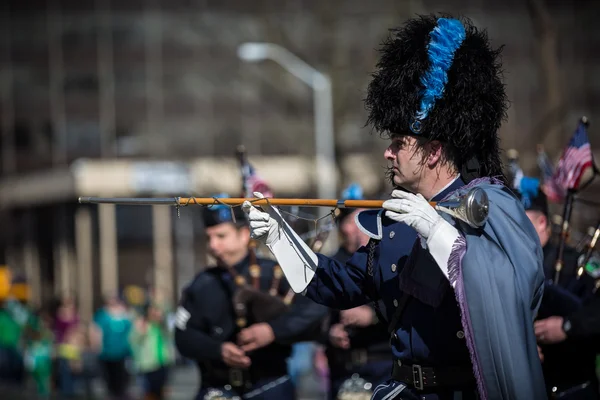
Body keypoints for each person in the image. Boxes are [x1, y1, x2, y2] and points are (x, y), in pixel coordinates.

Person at [243, 14, 547, 400]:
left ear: (434, 151)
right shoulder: (397, 218)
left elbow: (512, 290)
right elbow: (337, 286)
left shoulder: (491, 205)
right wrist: (279, 236)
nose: (388, 152)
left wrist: (439, 234)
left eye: (400, 142)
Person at [174, 197, 328, 400]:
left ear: (244, 234)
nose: (213, 246)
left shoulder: (275, 273)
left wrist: (272, 331)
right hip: (217, 387)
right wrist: (217, 350)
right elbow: (183, 337)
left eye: (221, 236)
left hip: (270, 386)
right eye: (209, 238)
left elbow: (314, 311)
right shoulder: (201, 284)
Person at [513, 176, 599, 399]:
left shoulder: (576, 263)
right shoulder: (508, 265)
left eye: (519, 223)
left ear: (542, 223)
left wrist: (569, 327)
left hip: (574, 389)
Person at [324, 183, 392, 400]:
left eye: (361, 219)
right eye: (348, 221)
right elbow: (313, 314)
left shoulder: (392, 259)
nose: (355, 228)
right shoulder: (333, 264)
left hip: (385, 364)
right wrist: (330, 332)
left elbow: (406, 301)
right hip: (346, 370)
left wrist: (372, 314)